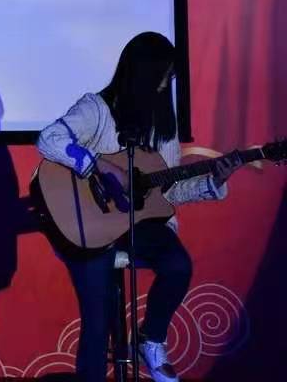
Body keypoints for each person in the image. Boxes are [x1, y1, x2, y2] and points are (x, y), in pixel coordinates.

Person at [36, 31, 243, 382]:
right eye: (163, 76)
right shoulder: (97, 108)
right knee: (98, 321)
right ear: (144, 73)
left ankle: (151, 339)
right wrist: (99, 165)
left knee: (178, 265)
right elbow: (49, 139)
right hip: (89, 226)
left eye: (169, 78)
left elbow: (169, 193)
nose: (165, 85)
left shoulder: (164, 128)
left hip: (141, 225)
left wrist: (213, 182)